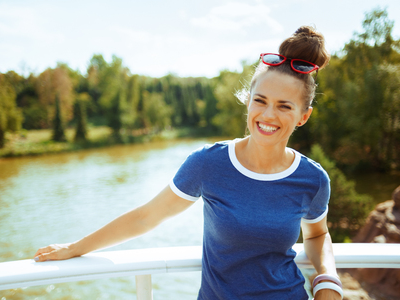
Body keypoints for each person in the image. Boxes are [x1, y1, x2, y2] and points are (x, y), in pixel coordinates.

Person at [34, 26, 343, 300]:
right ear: (247, 100)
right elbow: (146, 217)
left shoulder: (312, 179)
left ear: (303, 116)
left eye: (284, 106)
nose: (267, 115)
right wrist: (76, 247)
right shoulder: (210, 164)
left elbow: (317, 234)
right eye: (260, 100)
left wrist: (327, 278)